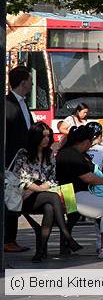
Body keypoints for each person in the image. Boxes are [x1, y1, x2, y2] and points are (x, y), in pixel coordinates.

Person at [8, 122, 83, 262]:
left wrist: (45, 187)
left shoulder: (49, 155)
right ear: (35, 137)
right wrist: (40, 188)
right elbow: (19, 179)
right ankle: (67, 235)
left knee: (50, 207)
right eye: (43, 137)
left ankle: (40, 251)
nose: (47, 139)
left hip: (45, 197)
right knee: (53, 197)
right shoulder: (23, 154)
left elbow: (53, 179)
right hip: (25, 197)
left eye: (49, 136)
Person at [55, 126, 103, 259]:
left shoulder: (79, 154)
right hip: (71, 195)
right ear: (85, 142)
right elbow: (87, 177)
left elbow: (90, 173)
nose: (90, 147)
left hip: (83, 193)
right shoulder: (70, 154)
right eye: (89, 143)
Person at [5, 65, 35, 253]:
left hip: (23, 160)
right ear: (24, 83)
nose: (32, 84)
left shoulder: (23, 103)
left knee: (15, 197)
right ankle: (8, 239)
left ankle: (11, 238)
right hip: (11, 161)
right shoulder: (7, 105)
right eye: (30, 81)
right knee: (11, 197)